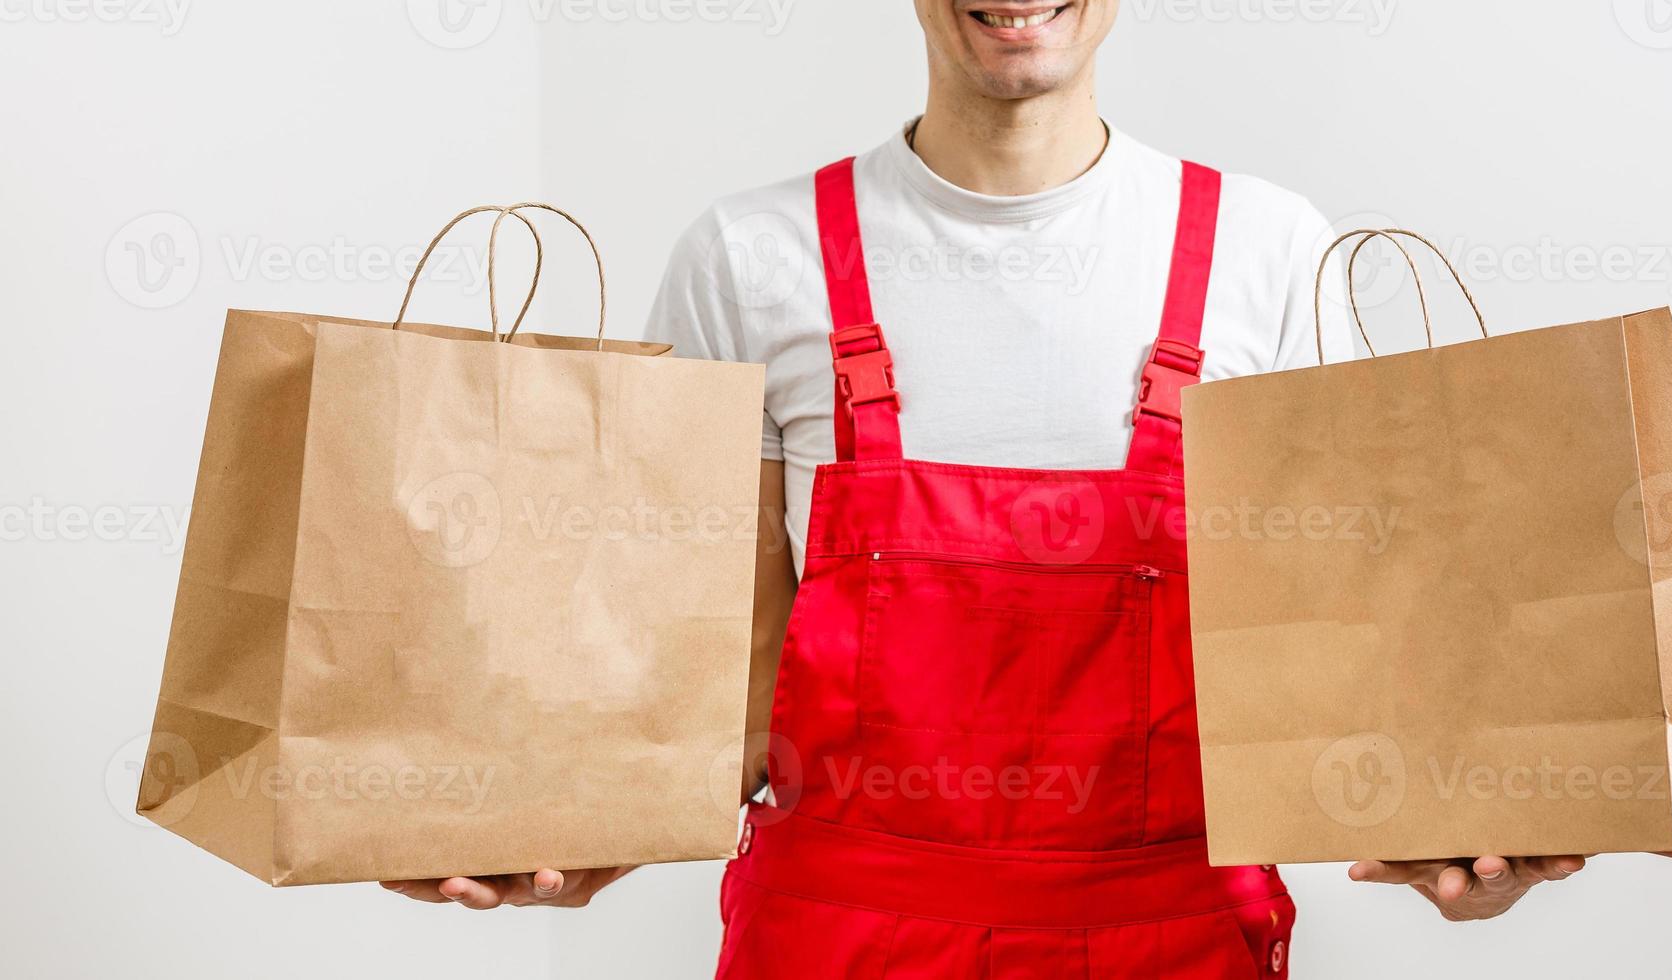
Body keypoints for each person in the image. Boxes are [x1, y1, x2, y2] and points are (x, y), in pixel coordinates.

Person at [381, 1, 1602, 973]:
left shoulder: (1273, 255)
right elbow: (711, 677)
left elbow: (1354, 678)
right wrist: (540, 819)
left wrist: (1468, 847)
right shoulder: (747, 260)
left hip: (1171, 942)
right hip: (834, 944)